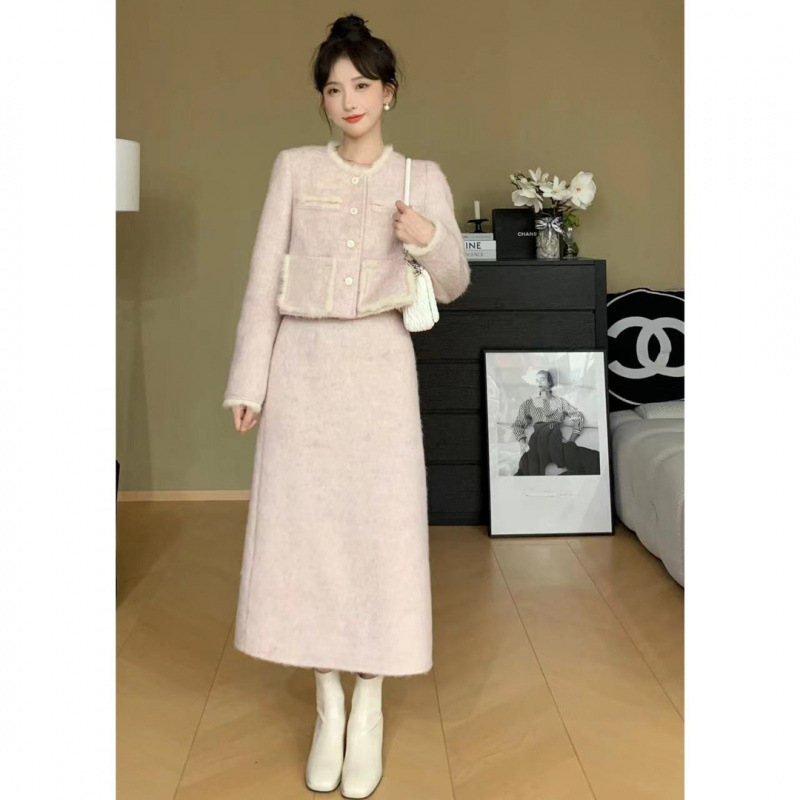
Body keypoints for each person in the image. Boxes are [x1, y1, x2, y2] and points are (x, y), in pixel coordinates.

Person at [221, 14, 471, 799]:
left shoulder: (421, 178)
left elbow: (455, 281)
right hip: (302, 373)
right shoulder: (293, 169)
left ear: (389, 92)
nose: (348, 100)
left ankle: (370, 707)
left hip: (379, 374)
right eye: (333, 89)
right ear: (322, 100)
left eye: (362, 84)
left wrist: (428, 238)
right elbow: (262, 279)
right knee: (307, 542)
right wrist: (248, 383)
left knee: (377, 541)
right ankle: (327, 703)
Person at [512, 368, 600, 476]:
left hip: (555, 440)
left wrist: (571, 440)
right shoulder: (528, 404)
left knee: (591, 460)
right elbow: (517, 425)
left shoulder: (560, 402)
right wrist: (522, 443)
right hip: (537, 442)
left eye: (542, 379)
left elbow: (579, 417)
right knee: (527, 468)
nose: (539, 383)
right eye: (537, 380)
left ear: (549, 382)